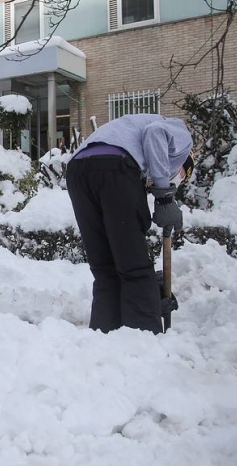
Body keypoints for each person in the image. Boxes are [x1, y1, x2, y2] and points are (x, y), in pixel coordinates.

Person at [65, 113, 194, 334]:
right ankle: (143, 341)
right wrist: (164, 196)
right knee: (135, 269)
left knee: (106, 271)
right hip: (114, 167)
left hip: (77, 171)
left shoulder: (128, 131)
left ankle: (103, 339)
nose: (175, 179)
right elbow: (155, 133)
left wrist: (151, 295)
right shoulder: (181, 136)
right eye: (180, 176)